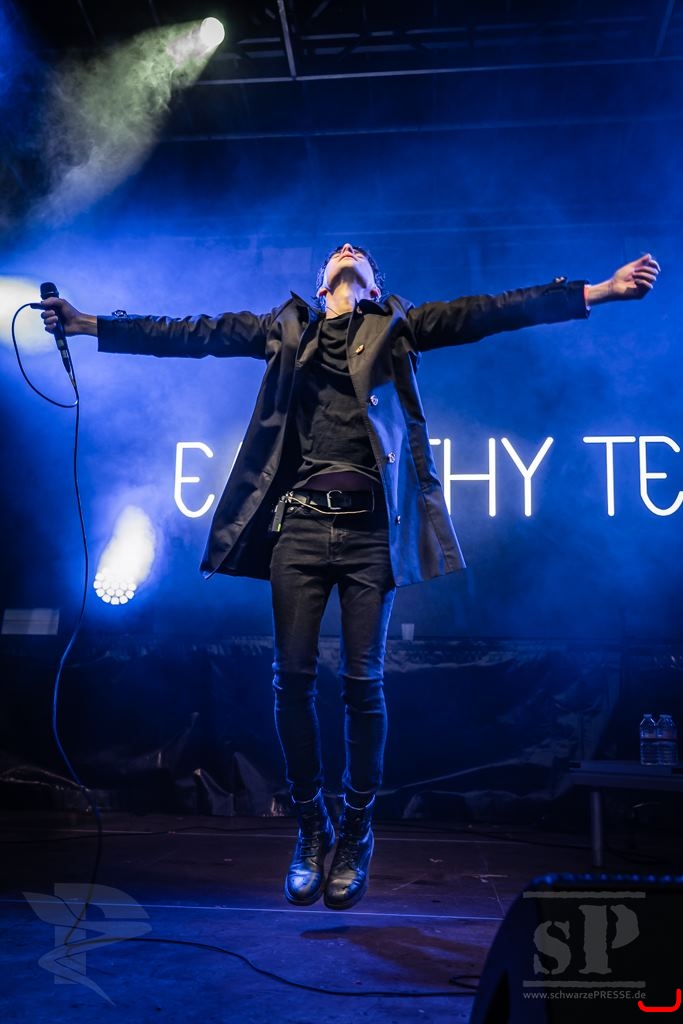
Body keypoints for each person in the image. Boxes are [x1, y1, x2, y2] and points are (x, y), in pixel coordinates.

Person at [41, 244, 659, 910]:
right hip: (300, 531)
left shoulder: (399, 324)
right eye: (337, 251)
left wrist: (598, 291)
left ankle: (358, 827)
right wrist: (87, 323)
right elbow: (190, 334)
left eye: (358, 253)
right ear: (320, 285)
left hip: (369, 534)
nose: (346, 249)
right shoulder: (284, 328)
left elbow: (491, 311)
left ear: (371, 284)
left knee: (363, 686)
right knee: (291, 681)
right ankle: (312, 825)